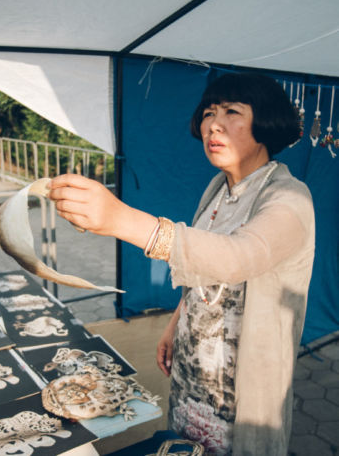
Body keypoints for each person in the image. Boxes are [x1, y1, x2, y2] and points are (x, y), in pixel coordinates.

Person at [49, 72, 315, 455]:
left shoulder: (289, 198)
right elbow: (201, 269)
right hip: (192, 374)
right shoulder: (216, 188)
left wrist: (121, 220)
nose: (214, 125)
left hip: (238, 390)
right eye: (208, 113)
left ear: (266, 120)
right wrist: (176, 324)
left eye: (231, 111)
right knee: (180, 446)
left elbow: (236, 258)